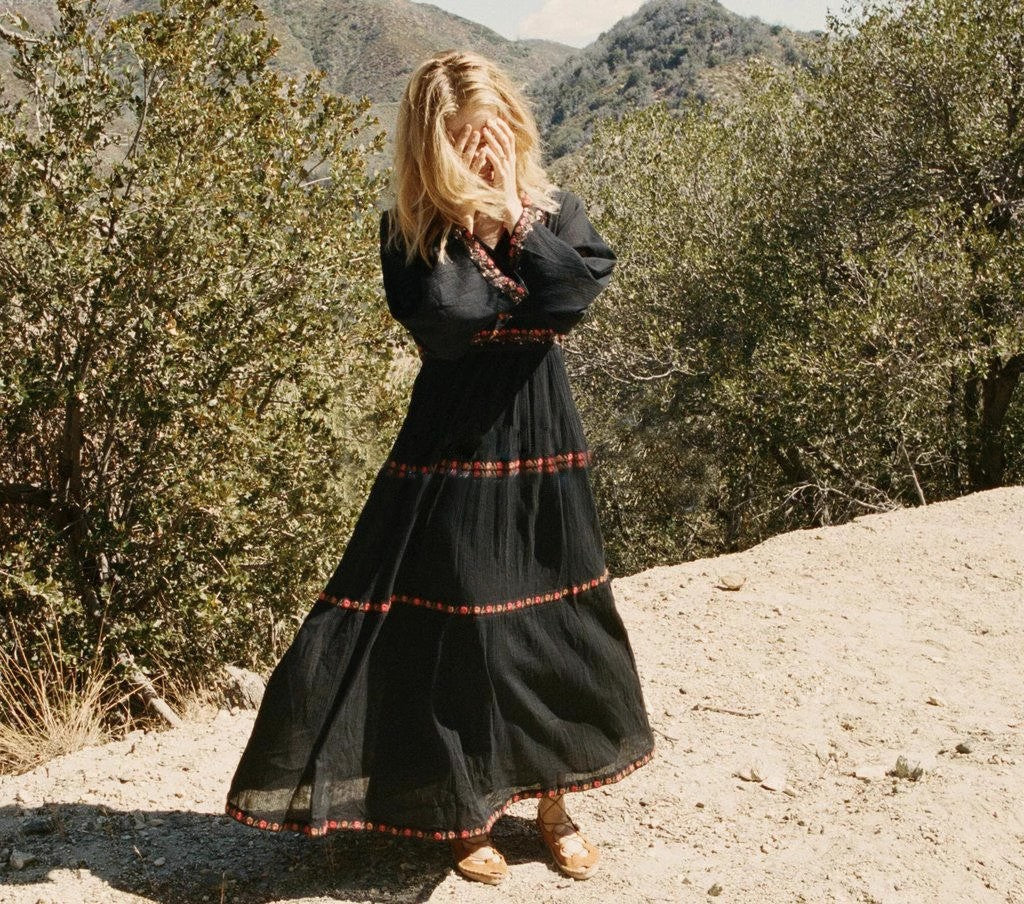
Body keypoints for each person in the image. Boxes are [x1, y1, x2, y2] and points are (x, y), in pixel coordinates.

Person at [224, 48, 656, 886]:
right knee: (462, 630)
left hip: (543, 447)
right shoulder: (411, 230)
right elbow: (452, 323)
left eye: (489, 134)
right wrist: (485, 221)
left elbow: (569, 300)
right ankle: (464, 813)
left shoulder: (556, 210)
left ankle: (554, 805)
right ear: (431, 144)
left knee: (559, 626)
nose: (479, 151)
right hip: (453, 451)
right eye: (460, 139)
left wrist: (517, 219)